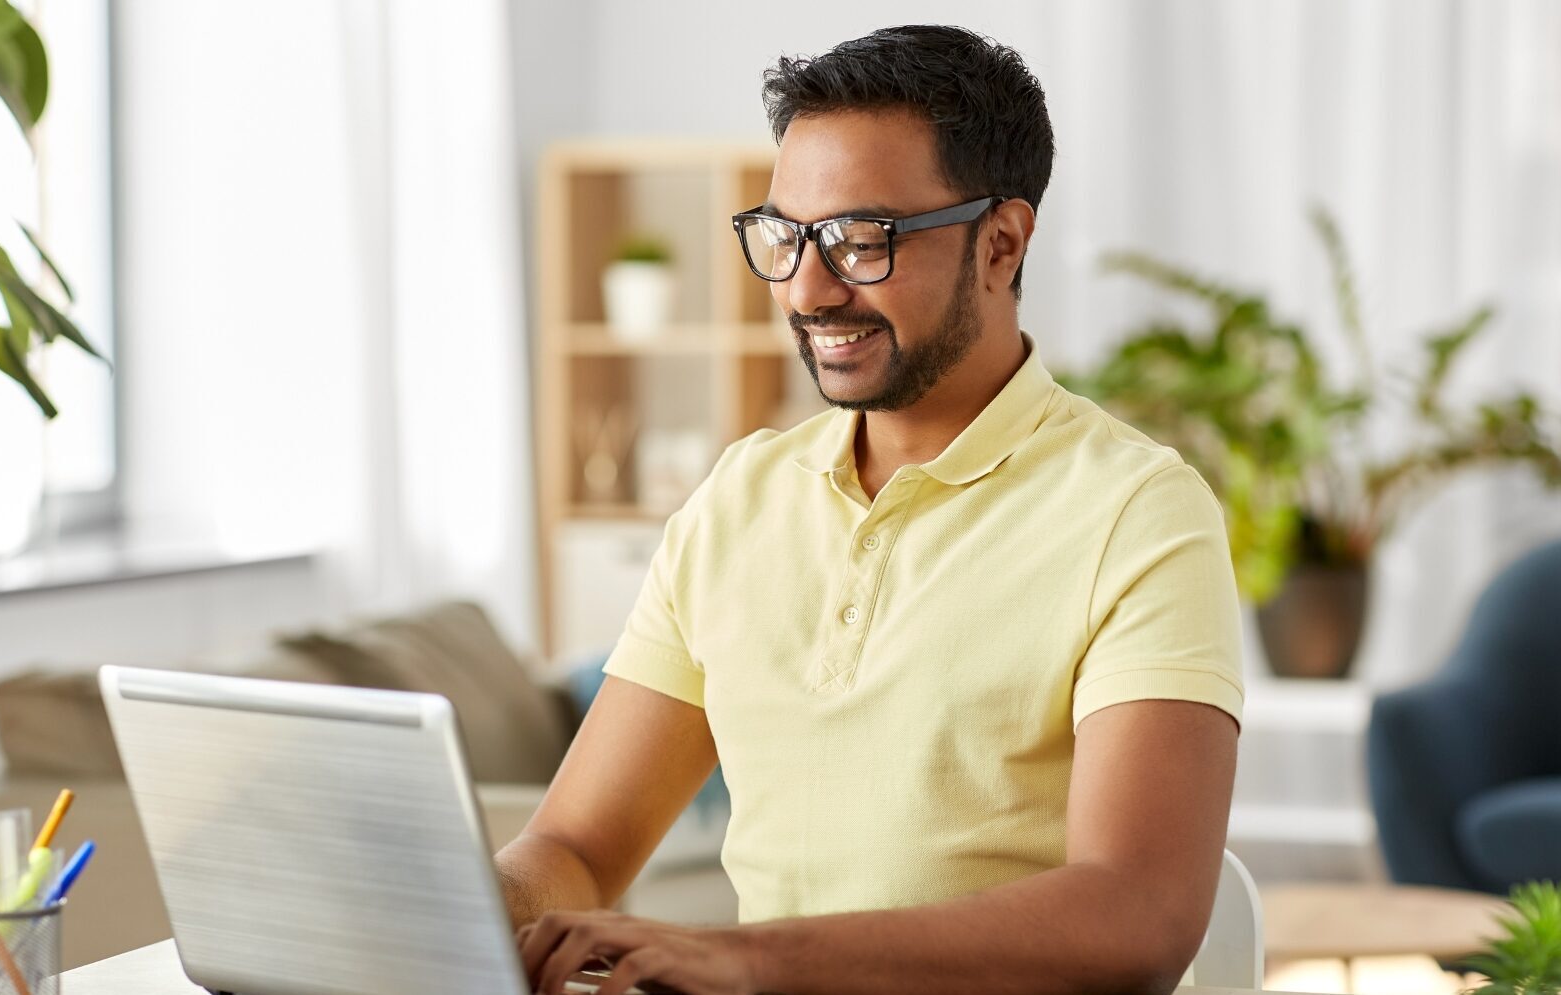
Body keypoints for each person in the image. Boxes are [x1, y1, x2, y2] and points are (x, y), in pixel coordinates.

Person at [499, 24, 1243, 995]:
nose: (808, 288)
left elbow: (1136, 912)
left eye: (860, 240)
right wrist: (462, 907)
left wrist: (743, 956)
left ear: (1002, 242)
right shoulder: (739, 499)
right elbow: (575, 844)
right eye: (785, 235)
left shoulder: (1138, 513)